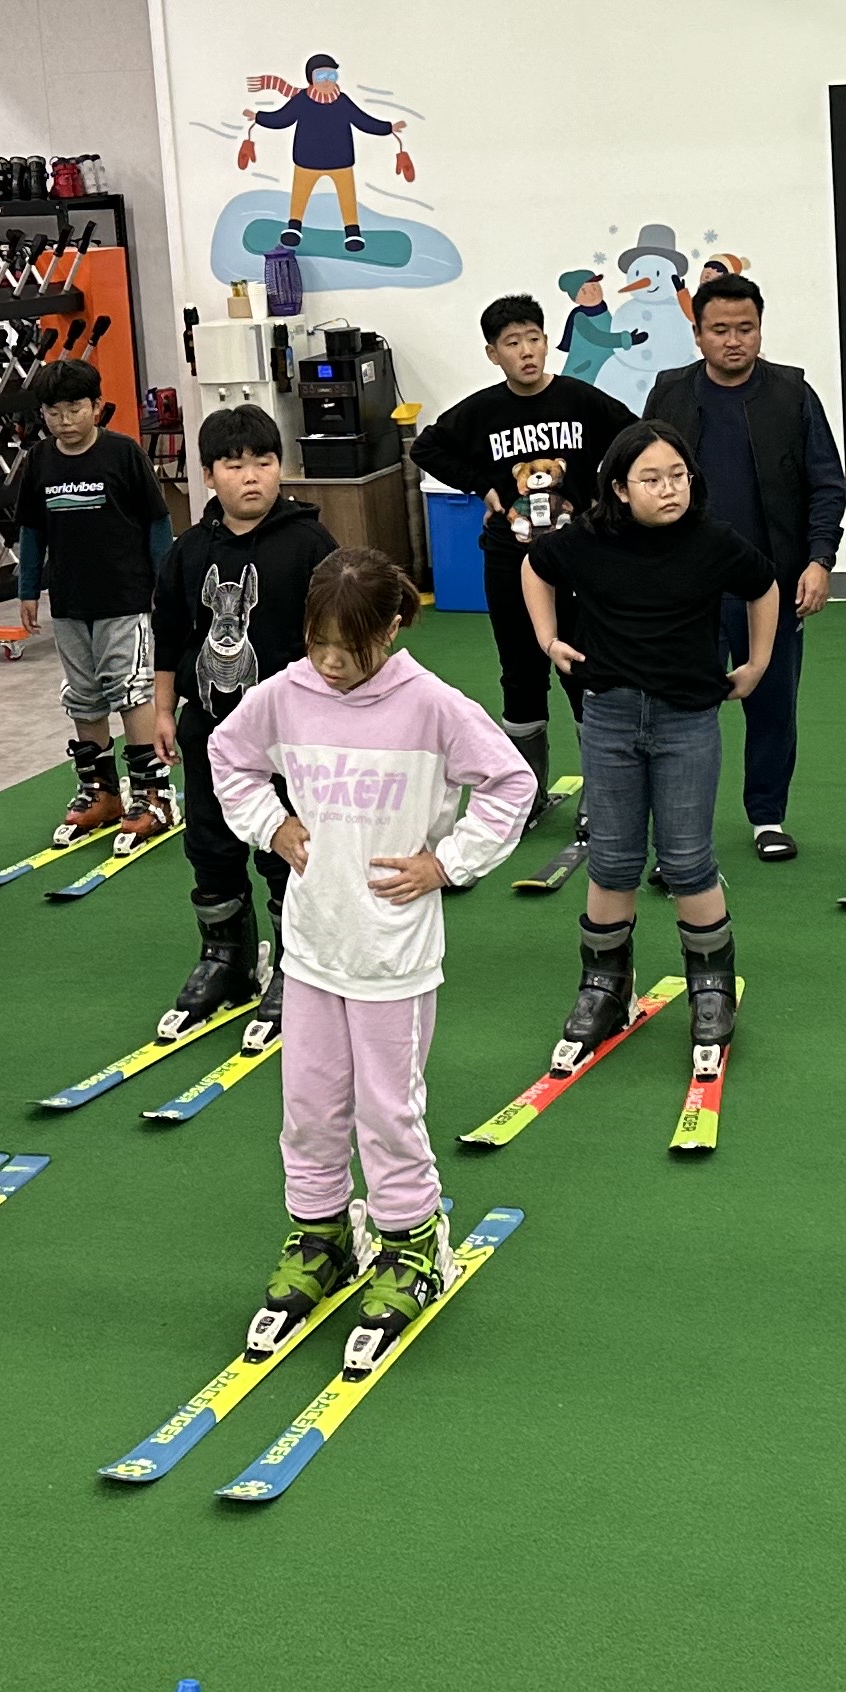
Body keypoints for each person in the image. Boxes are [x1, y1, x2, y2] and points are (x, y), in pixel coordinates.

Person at [209, 550, 530, 1374]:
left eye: (348, 646)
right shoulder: (284, 694)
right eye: (317, 641)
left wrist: (448, 862)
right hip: (313, 947)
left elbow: (509, 783)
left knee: (388, 1109)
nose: (329, 661)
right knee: (309, 1104)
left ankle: (412, 1242)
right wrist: (272, 824)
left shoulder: (433, 706)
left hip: (394, 957)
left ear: (390, 628)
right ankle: (320, 1235)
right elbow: (228, 756)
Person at [520, 420, 774, 1075]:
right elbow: (535, 566)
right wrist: (549, 639)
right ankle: (604, 988)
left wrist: (757, 663)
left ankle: (711, 988)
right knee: (612, 858)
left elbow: (764, 586)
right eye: (652, 479)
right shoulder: (587, 539)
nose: (669, 490)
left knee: (688, 859)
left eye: (678, 476)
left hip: (687, 720)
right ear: (619, 488)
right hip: (608, 718)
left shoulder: (713, 541)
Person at [147, 404, 336, 1043]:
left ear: (281, 467)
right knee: (210, 843)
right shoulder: (188, 551)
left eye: (263, 462)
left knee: (286, 848)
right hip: (211, 732)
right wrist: (163, 710)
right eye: (233, 465)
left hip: (292, 739)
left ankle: (293, 962)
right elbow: (170, 632)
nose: (251, 476)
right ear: (208, 476)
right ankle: (225, 957)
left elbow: (341, 632)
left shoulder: (311, 544)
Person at [408, 291, 635, 818]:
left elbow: (636, 436)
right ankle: (526, 794)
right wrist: (482, 486)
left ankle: (600, 795)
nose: (526, 351)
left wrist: (604, 494)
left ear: (547, 342)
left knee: (584, 667)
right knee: (520, 671)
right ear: (494, 353)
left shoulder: (581, 400)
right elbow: (426, 447)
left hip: (579, 559)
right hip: (510, 558)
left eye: (534, 339)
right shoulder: (482, 410)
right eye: (512, 343)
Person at [639, 275, 841, 859]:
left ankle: (767, 819)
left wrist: (820, 560)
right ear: (697, 333)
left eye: (746, 329)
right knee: (682, 711)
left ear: (760, 329)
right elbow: (641, 479)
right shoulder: (669, 393)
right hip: (685, 589)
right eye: (720, 330)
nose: (734, 341)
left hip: (771, 585)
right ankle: (681, 832)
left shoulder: (793, 393)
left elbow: (827, 484)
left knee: (773, 706)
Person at [5, 356, 172, 846]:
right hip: (70, 601)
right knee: (83, 693)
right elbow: (31, 531)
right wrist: (28, 589)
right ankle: (101, 791)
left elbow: (157, 524)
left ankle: (153, 794)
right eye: (53, 412)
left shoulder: (123, 454)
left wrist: (166, 587)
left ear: (97, 406)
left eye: (75, 409)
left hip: (126, 597)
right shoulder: (39, 460)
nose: (65, 421)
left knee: (130, 689)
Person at [239, 52, 414, 252]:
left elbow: (363, 120)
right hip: (307, 160)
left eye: (332, 76)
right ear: (311, 78)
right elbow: (282, 118)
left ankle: (352, 232)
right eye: (321, 76)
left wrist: (388, 128)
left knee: (347, 197)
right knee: (300, 195)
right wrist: (259, 117)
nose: (327, 81)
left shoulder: (343, 101)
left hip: (341, 161)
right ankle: (294, 227)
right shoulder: (302, 100)